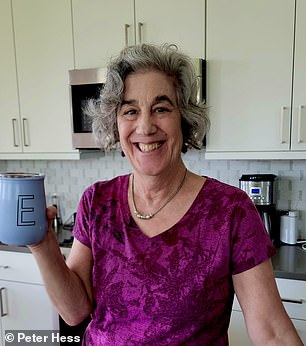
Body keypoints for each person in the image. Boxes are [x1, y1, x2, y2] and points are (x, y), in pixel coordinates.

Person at [29, 43, 302, 345]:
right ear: (115, 124)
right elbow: (75, 311)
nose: (145, 126)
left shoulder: (229, 211)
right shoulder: (97, 201)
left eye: (161, 108)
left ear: (184, 119)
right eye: (130, 110)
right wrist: (43, 246)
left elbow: (273, 333)